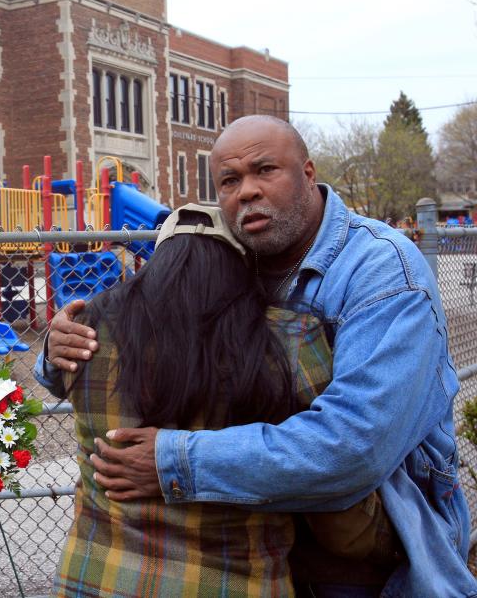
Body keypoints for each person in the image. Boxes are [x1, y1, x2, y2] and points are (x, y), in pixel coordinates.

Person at [36, 116, 477, 596]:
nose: (246, 191)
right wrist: (59, 349)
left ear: (308, 174)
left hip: (369, 556)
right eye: (229, 180)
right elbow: (153, 338)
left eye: (265, 170)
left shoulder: (381, 271)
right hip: (271, 548)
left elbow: (355, 445)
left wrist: (173, 460)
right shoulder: (235, 262)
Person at [49, 204, 397, 597]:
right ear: (243, 266)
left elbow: (56, 376)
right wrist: (390, 543)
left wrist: (49, 346)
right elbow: (330, 478)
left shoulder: (84, 332)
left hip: (95, 577)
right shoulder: (290, 342)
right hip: (231, 582)